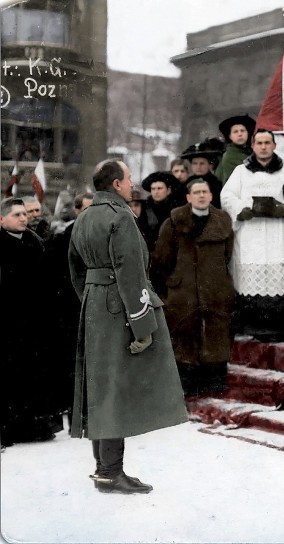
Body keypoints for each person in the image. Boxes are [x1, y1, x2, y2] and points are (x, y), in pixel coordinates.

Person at [68, 160, 187, 494]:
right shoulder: (121, 217)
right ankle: (110, 471)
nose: (133, 184)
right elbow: (132, 274)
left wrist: (91, 301)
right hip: (119, 307)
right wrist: (142, 325)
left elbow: (75, 269)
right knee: (115, 391)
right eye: (131, 179)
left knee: (101, 388)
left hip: (94, 305)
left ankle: (106, 469)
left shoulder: (85, 216)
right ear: (117, 183)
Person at [220, 129, 284, 342]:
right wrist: (244, 208)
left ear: (274, 145)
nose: (264, 146)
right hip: (252, 234)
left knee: (279, 278)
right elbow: (227, 195)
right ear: (253, 146)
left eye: (268, 142)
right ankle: (253, 325)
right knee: (252, 277)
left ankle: (279, 326)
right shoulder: (241, 171)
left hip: (280, 234)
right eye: (259, 142)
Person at [151, 178, 235, 396]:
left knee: (215, 333)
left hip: (214, 289)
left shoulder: (222, 222)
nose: (200, 196)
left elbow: (228, 253)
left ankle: (214, 381)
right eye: (196, 192)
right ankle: (188, 384)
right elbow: (162, 259)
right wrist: (176, 281)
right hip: (184, 292)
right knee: (185, 336)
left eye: (204, 192)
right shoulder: (173, 222)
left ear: (210, 196)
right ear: (188, 198)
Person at [1, 197, 57, 447]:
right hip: (8, 321)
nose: (23, 218)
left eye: (24, 214)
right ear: (2, 220)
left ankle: (32, 426)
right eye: (17, 215)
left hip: (33, 321)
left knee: (31, 374)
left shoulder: (34, 243)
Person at [47, 192, 93, 429]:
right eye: (87, 208)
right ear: (77, 211)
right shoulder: (63, 238)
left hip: (101, 306)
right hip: (72, 308)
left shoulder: (108, 233)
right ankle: (78, 411)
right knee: (76, 361)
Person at [139, 171, 179, 251]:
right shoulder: (145, 208)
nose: (156, 192)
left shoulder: (176, 208)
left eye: (159, 188)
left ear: (168, 190)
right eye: (153, 189)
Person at [180, 138, 224, 207]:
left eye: (202, 163)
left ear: (210, 165)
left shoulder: (216, 184)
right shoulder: (186, 184)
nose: (198, 167)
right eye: (195, 163)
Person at [215, 114, 255, 184]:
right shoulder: (230, 156)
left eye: (242, 130)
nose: (240, 134)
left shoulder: (252, 152)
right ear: (230, 136)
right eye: (235, 132)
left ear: (248, 133)